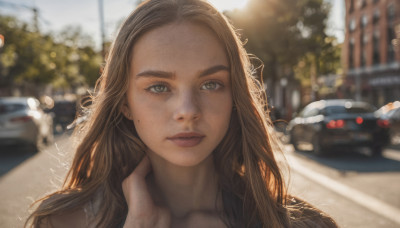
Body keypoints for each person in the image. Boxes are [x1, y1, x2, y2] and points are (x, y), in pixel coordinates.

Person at [27, 0, 338, 227]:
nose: (188, 112)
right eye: (159, 87)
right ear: (124, 102)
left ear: (235, 95)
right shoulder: (63, 221)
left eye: (211, 84)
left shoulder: (300, 224)